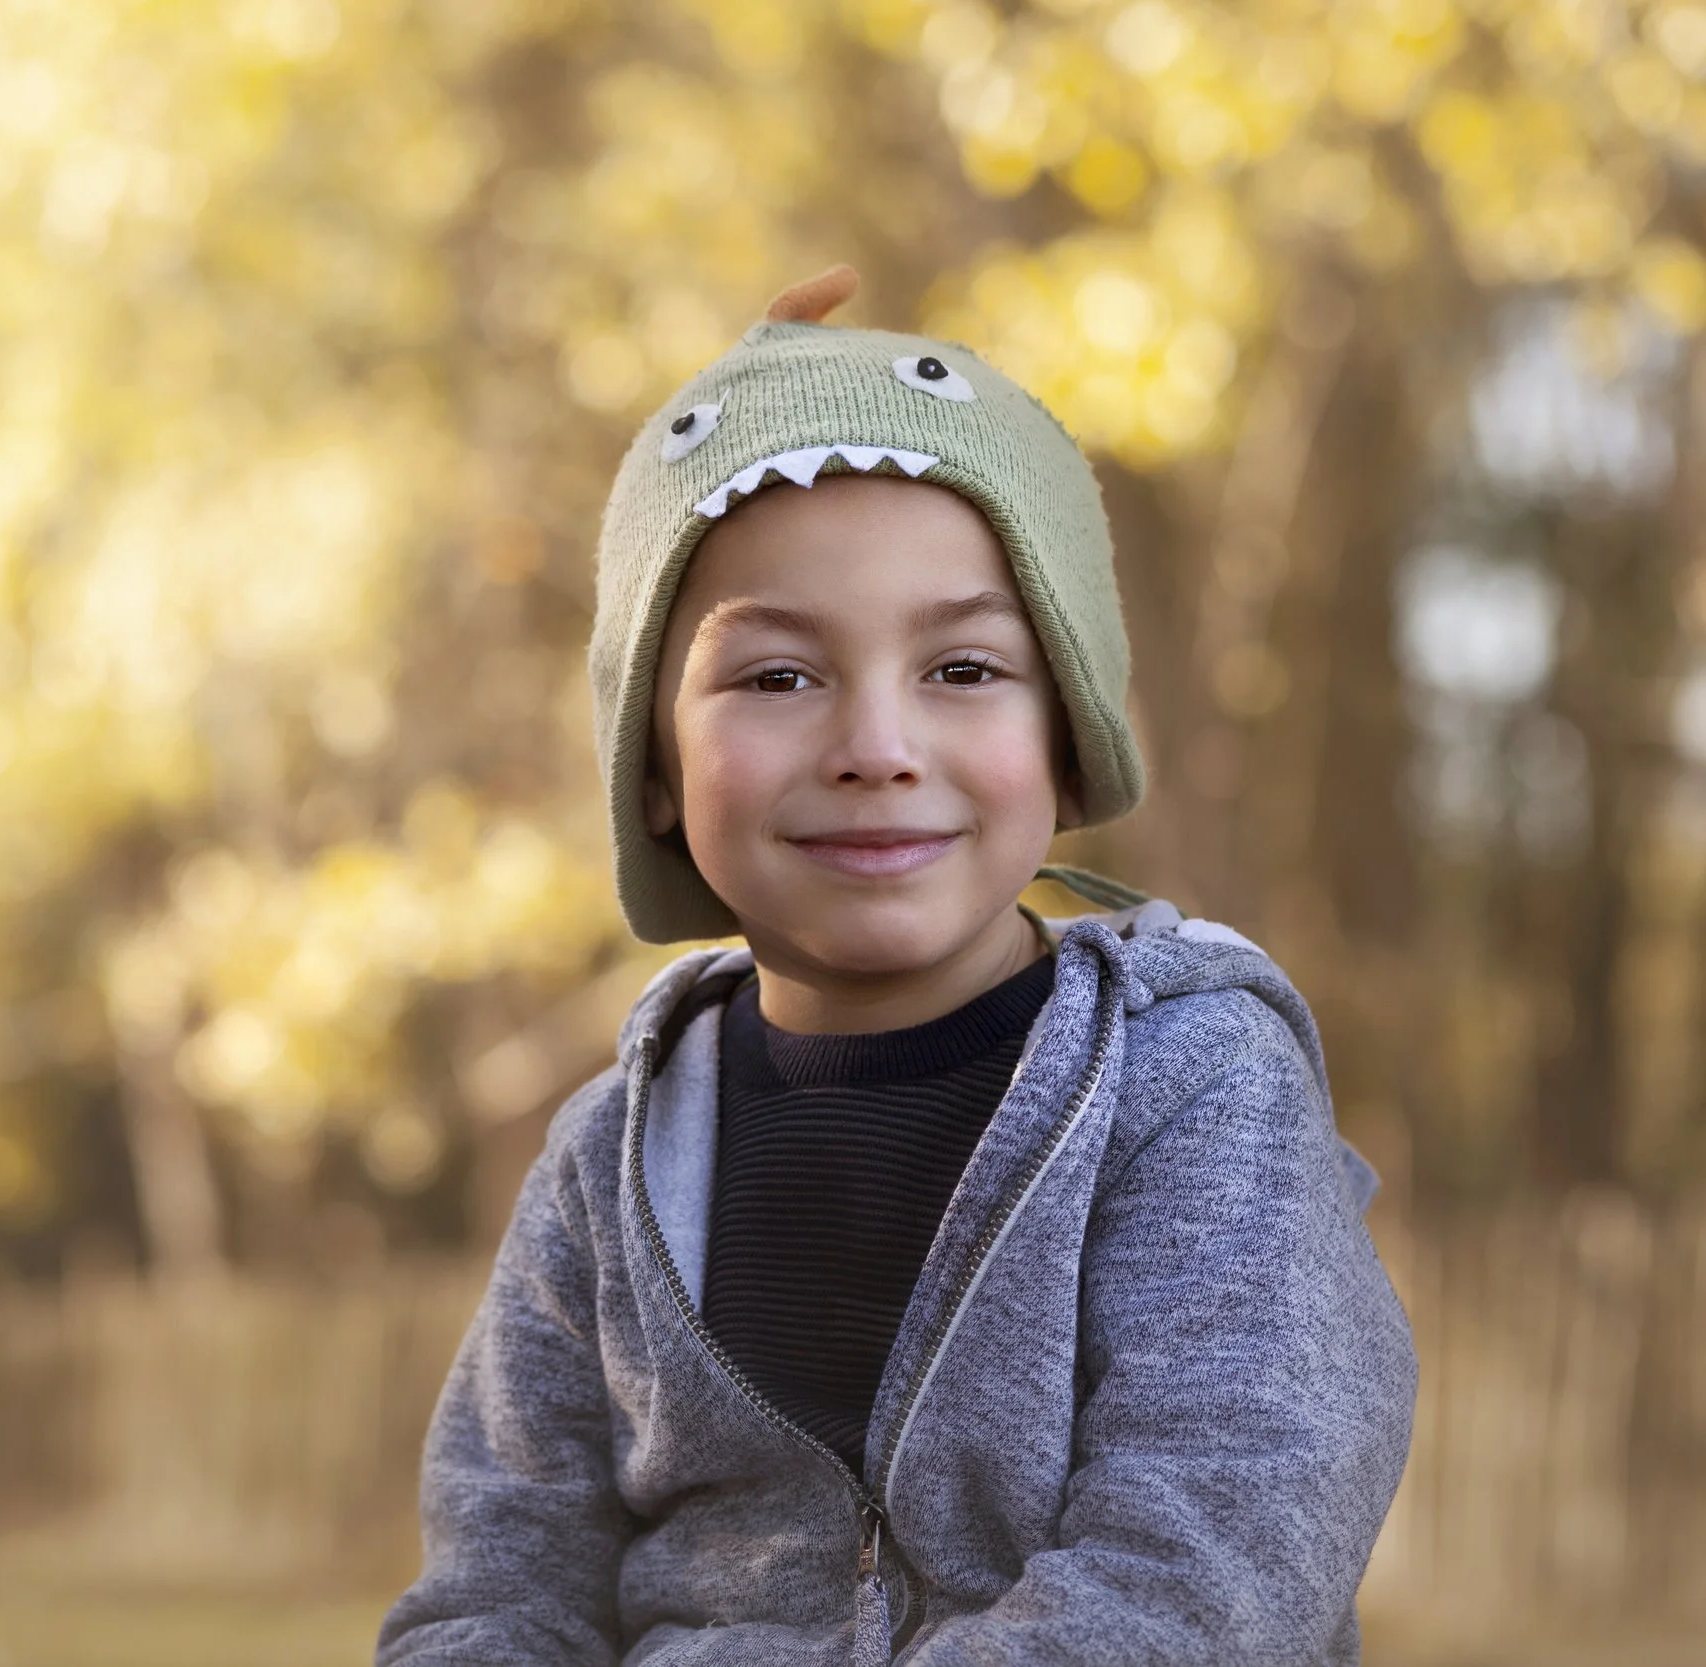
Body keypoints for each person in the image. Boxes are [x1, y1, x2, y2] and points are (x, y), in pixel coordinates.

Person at [375, 266, 1416, 1666]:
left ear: (1065, 734)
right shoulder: (609, 1163)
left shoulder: (1190, 1088)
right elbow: (502, 1591)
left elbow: (1217, 1552)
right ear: (661, 769)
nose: (877, 744)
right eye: (778, 677)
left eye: (966, 670)